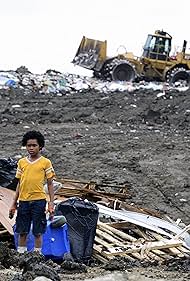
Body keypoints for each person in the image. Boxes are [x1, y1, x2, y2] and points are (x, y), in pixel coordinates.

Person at [9, 130, 55, 254]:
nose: (31, 148)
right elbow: (19, 183)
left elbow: (50, 183)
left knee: (38, 231)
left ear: (40, 146)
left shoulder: (45, 162)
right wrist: (14, 203)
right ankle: (21, 255)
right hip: (23, 201)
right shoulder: (22, 162)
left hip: (39, 201)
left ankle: (37, 256)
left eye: (34, 145)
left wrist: (51, 203)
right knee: (22, 230)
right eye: (29, 145)